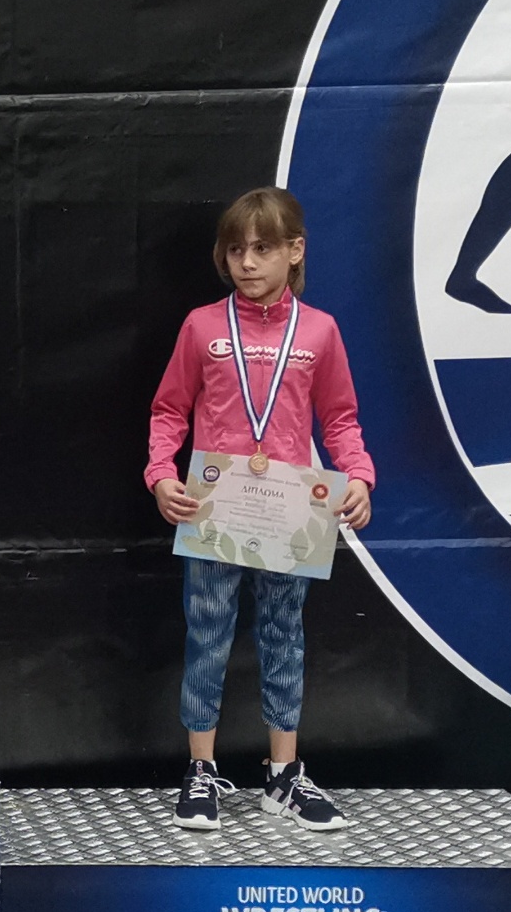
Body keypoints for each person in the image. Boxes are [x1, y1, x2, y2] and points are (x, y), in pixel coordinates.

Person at [146, 187, 375, 833]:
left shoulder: (319, 331)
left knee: (283, 635)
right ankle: (200, 770)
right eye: (235, 250)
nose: (247, 263)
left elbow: (341, 418)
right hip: (213, 509)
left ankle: (283, 775)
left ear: (295, 250)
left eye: (263, 249)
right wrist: (161, 476)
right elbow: (168, 410)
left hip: (290, 512)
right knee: (208, 634)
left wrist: (360, 476)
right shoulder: (203, 326)